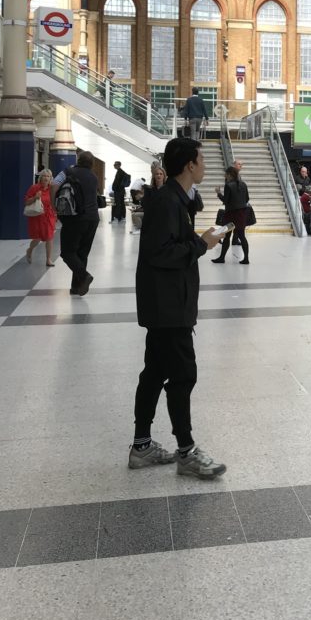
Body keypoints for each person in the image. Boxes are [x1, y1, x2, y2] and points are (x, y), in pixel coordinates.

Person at [129, 136, 226, 479]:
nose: (204, 165)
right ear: (189, 165)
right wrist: (202, 244)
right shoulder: (167, 203)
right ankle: (186, 451)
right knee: (183, 374)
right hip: (169, 306)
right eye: (201, 160)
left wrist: (199, 237)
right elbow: (160, 254)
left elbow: (170, 243)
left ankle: (141, 446)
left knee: (155, 371)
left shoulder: (175, 200)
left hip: (166, 303)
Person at [53, 151, 100, 296]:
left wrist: (54, 206)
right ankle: (77, 287)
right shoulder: (93, 177)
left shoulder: (68, 171)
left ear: (78, 160)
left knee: (67, 253)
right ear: (91, 163)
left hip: (74, 219)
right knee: (82, 253)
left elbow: (54, 185)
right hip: (93, 219)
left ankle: (84, 276)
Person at [212, 165, 250, 264]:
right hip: (241, 214)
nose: (225, 176)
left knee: (227, 236)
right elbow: (247, 199)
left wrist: (219, 193)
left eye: (226, 174)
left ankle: (222, 258)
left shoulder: (228, 185)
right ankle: (246, 259)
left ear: (229, 175)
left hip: (230, 214)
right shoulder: (243, 184)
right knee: (242, 236)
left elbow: (226, 201)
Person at [24, 169, 57, 266]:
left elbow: (54, 202)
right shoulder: (34, 188)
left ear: (51, 178)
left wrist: (56, 214)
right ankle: (29, 250)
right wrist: (35, 197)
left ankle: (48, 259)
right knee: (37, 238)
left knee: (49, 237)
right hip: (37, 216)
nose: (46, 178)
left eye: (48, 176)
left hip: (49, 216)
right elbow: (26, 202)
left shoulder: (52, 189)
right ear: (40, 177)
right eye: (44, 176)